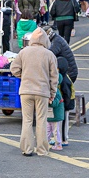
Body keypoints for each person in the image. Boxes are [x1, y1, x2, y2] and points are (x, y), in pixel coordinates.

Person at [10, 28, 58, 157]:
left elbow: (14, 68)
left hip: (26, 90)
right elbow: (54, 77)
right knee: (41, 120)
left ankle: (27, 149)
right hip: (42, 91)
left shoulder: (24, 52)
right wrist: (52, 93)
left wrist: (23, 76)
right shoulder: (49, 54)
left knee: (27, 120)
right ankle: (42, 150)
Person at [47, 72, 65, 152]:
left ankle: (58, 144)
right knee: (48, 129)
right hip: (51, 114)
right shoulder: (54, 89)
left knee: (55, 130)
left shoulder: (56, 91)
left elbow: (55, 103)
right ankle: (45, 142)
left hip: (55, 114)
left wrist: (50, 102)